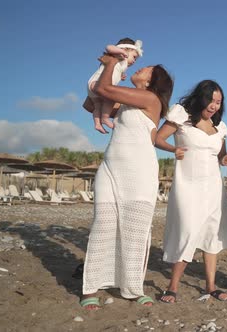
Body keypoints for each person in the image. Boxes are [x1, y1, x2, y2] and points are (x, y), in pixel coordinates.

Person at [79, 53, 174, 310]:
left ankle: (132, 288)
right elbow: (91, 103)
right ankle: (91, 286)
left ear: (153, 81)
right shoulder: (126, 101)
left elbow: (105, 89)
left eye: (147, 69)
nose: (140, 67)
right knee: (103, 224)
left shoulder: (151, 99)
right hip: (110, 168)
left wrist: (111, 61)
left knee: (135, 230)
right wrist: (105, 68)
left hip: (139, 171)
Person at [154, 80, 227, 303]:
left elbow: (221, 156)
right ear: (201, 97)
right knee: (188, 230)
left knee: (212, 233)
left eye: (218, 102)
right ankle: (172, 286)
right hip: (187, 184)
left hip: (213, 186)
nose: (214, 105)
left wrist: (225, 159)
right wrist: (174, 149)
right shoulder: (182, 115)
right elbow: (157, 138)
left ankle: (210, 286)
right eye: (211, 100)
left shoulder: (220, 127)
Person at [86, 37, 143, 134]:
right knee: (113, 96)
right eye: (134, 57)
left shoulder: (122, 64)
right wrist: (121, 52)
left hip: (94, 87)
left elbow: (114, 73)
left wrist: (121, 76)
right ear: (126, 49)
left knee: (98, 106)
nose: (134, 61)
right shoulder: (119, 55)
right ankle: (105, 117)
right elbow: (108, 47)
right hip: (97, 82)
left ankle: (97, 124)